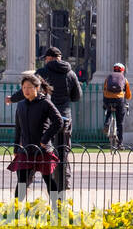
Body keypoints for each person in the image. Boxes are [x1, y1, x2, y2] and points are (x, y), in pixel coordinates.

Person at [11, 47, 81, 188]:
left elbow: (28, 88)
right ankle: (63, 182)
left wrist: (12, 99)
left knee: (35, 148)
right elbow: (77, 96)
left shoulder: (42, 72)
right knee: (63, 149)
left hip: (43, 116)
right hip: (64, 116)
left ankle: (26, 183)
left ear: (48, 59)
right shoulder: (71, 73)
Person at [8, 72, 65, 207]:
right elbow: (18, 128)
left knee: (48, 179)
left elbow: (58, 121)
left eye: (29, 87)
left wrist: (45, 139)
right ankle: (17, 210)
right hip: (26, 150)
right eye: (24, 88)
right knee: (22, 181)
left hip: (43, 149)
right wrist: (16, 147)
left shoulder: (45, 103)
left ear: (37, 88)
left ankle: (57, 207)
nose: (26, 90)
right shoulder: (21, 105)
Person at [101, 62, 131, 147]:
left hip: (107, 98)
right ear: (123, 70)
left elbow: (104, 90)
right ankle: (120, 143)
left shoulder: (108, 78)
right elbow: (128, 95)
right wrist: (127, 98)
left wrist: (105, 102)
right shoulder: (124, 79)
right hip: (119, 99)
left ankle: (107, 123)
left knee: (109, 110)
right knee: (120, 122)